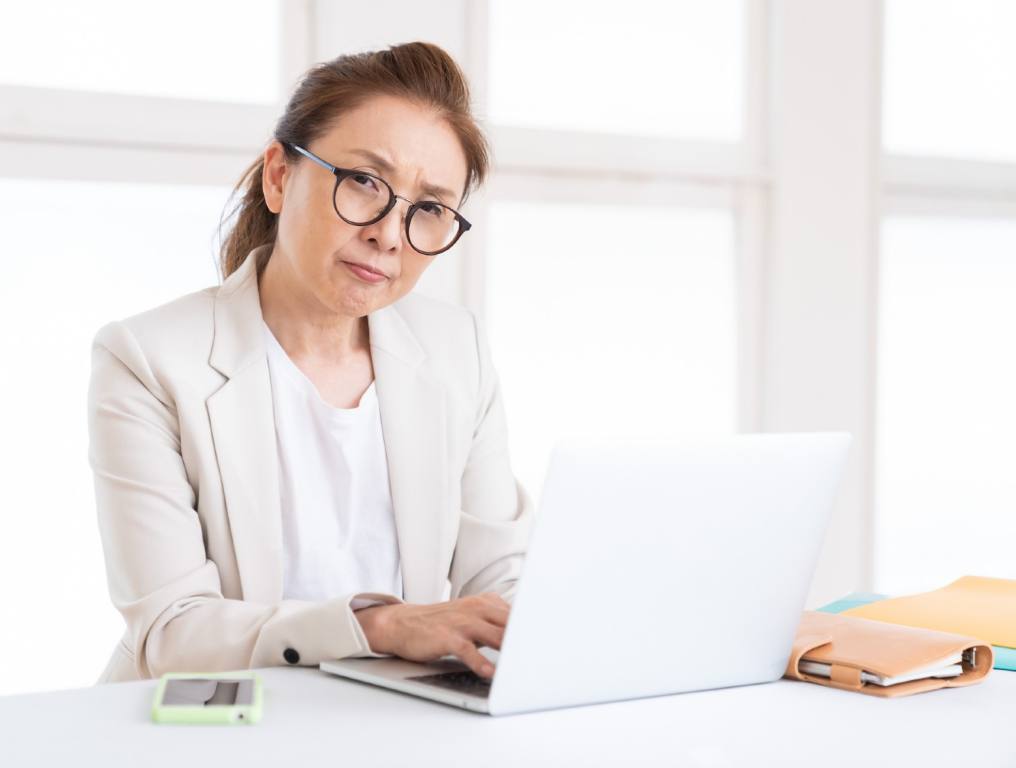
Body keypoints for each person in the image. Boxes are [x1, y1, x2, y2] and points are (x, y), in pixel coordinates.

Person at [88, 42, 533, 684]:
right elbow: (172, 632)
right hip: (211, 729)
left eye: (429, 209)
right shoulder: (148, 359)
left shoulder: (454, 348)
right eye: (364, 182)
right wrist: (376, 626)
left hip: (398, 722)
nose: (387, 234)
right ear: (279, 176)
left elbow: (500, 578)